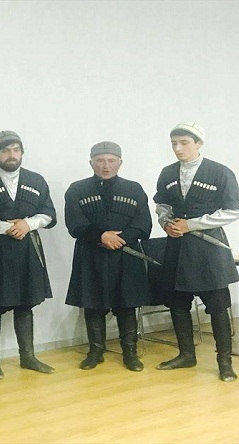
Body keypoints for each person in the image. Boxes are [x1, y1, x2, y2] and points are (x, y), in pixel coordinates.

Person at [153, 122, 239, 382]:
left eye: (184, 143)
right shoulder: (167, 172)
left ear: (199, 144)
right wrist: (166, 223)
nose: (178, 148)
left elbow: (234, 210)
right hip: (177, 247)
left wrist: (191, 224)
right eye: (174, 143)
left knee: (217, 307)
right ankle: (186, 355)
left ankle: (224, 363)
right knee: (178, 304)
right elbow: (162, 204)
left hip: (208, 249)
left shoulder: (220, 172)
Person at [0, 130, 56, 379]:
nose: (11, 155)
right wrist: (7, 227)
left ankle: (28, 357)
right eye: (5, 150)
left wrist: (27, 224)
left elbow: (49, 214)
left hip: (27, 250)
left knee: (25, 305)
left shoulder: (36, 180)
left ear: (22, 153)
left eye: (16, 150)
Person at [64, 141, 152, 372]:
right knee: (93, 305)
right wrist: (101, 236)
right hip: (91, 255)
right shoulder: (77, 189)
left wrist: (119, 239)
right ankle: (95, 352)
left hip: (126, 255)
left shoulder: (134, 189)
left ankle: (130, 353)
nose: (106, 166)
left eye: (111, 161)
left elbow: (144, 225)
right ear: (91, 162)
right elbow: (74, 224)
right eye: (100, 160)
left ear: (120, 163)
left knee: (126, 305)